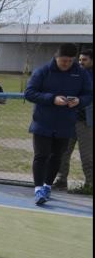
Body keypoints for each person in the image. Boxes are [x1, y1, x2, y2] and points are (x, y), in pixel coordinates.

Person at [24, 43, 93, 206]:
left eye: (70, 61)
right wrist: (52, 99)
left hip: (66, 123)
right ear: (56, 57)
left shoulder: (81, 73)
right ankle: (38, 189)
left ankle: (48, 185)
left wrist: (79, 101)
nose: (66, 64)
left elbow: (89, 94)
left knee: (57, 157)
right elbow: (29, 93)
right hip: (43, 122)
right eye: (63, 61)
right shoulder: (42, 71)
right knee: (41, 155)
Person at [55, 49, 94, 193]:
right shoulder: (74, 73)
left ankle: (90, 184)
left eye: (84, 60)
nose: (80, 63)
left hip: (86, 122)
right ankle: (61, 180)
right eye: (79, 60)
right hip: (69, 120)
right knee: (63, 152)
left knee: (87, 155)